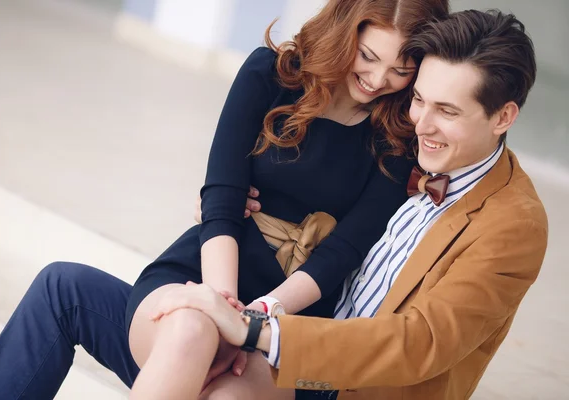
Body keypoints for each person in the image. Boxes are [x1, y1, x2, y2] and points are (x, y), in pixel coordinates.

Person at [0, 0, 450, 399]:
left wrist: (249, 322)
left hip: (288, 321)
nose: (377, 78)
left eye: (400, 70)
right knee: (190, 329)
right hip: (199, 276)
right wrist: (222, 308)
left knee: (226, 392)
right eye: (368, 56)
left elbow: (340, 255)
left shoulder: (397, 140)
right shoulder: (270, 74)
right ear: (346, 28)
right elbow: (222, 199)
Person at [150, 9, 548, 400]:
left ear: (503, 117)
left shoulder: (512, 224)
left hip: (347, 380)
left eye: (447, 111)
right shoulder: (416, 149)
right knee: (171, 336)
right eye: (420, 100)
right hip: (297, 340)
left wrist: (254, 330)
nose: (422, 125)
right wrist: (235, 203)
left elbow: (419, 342)